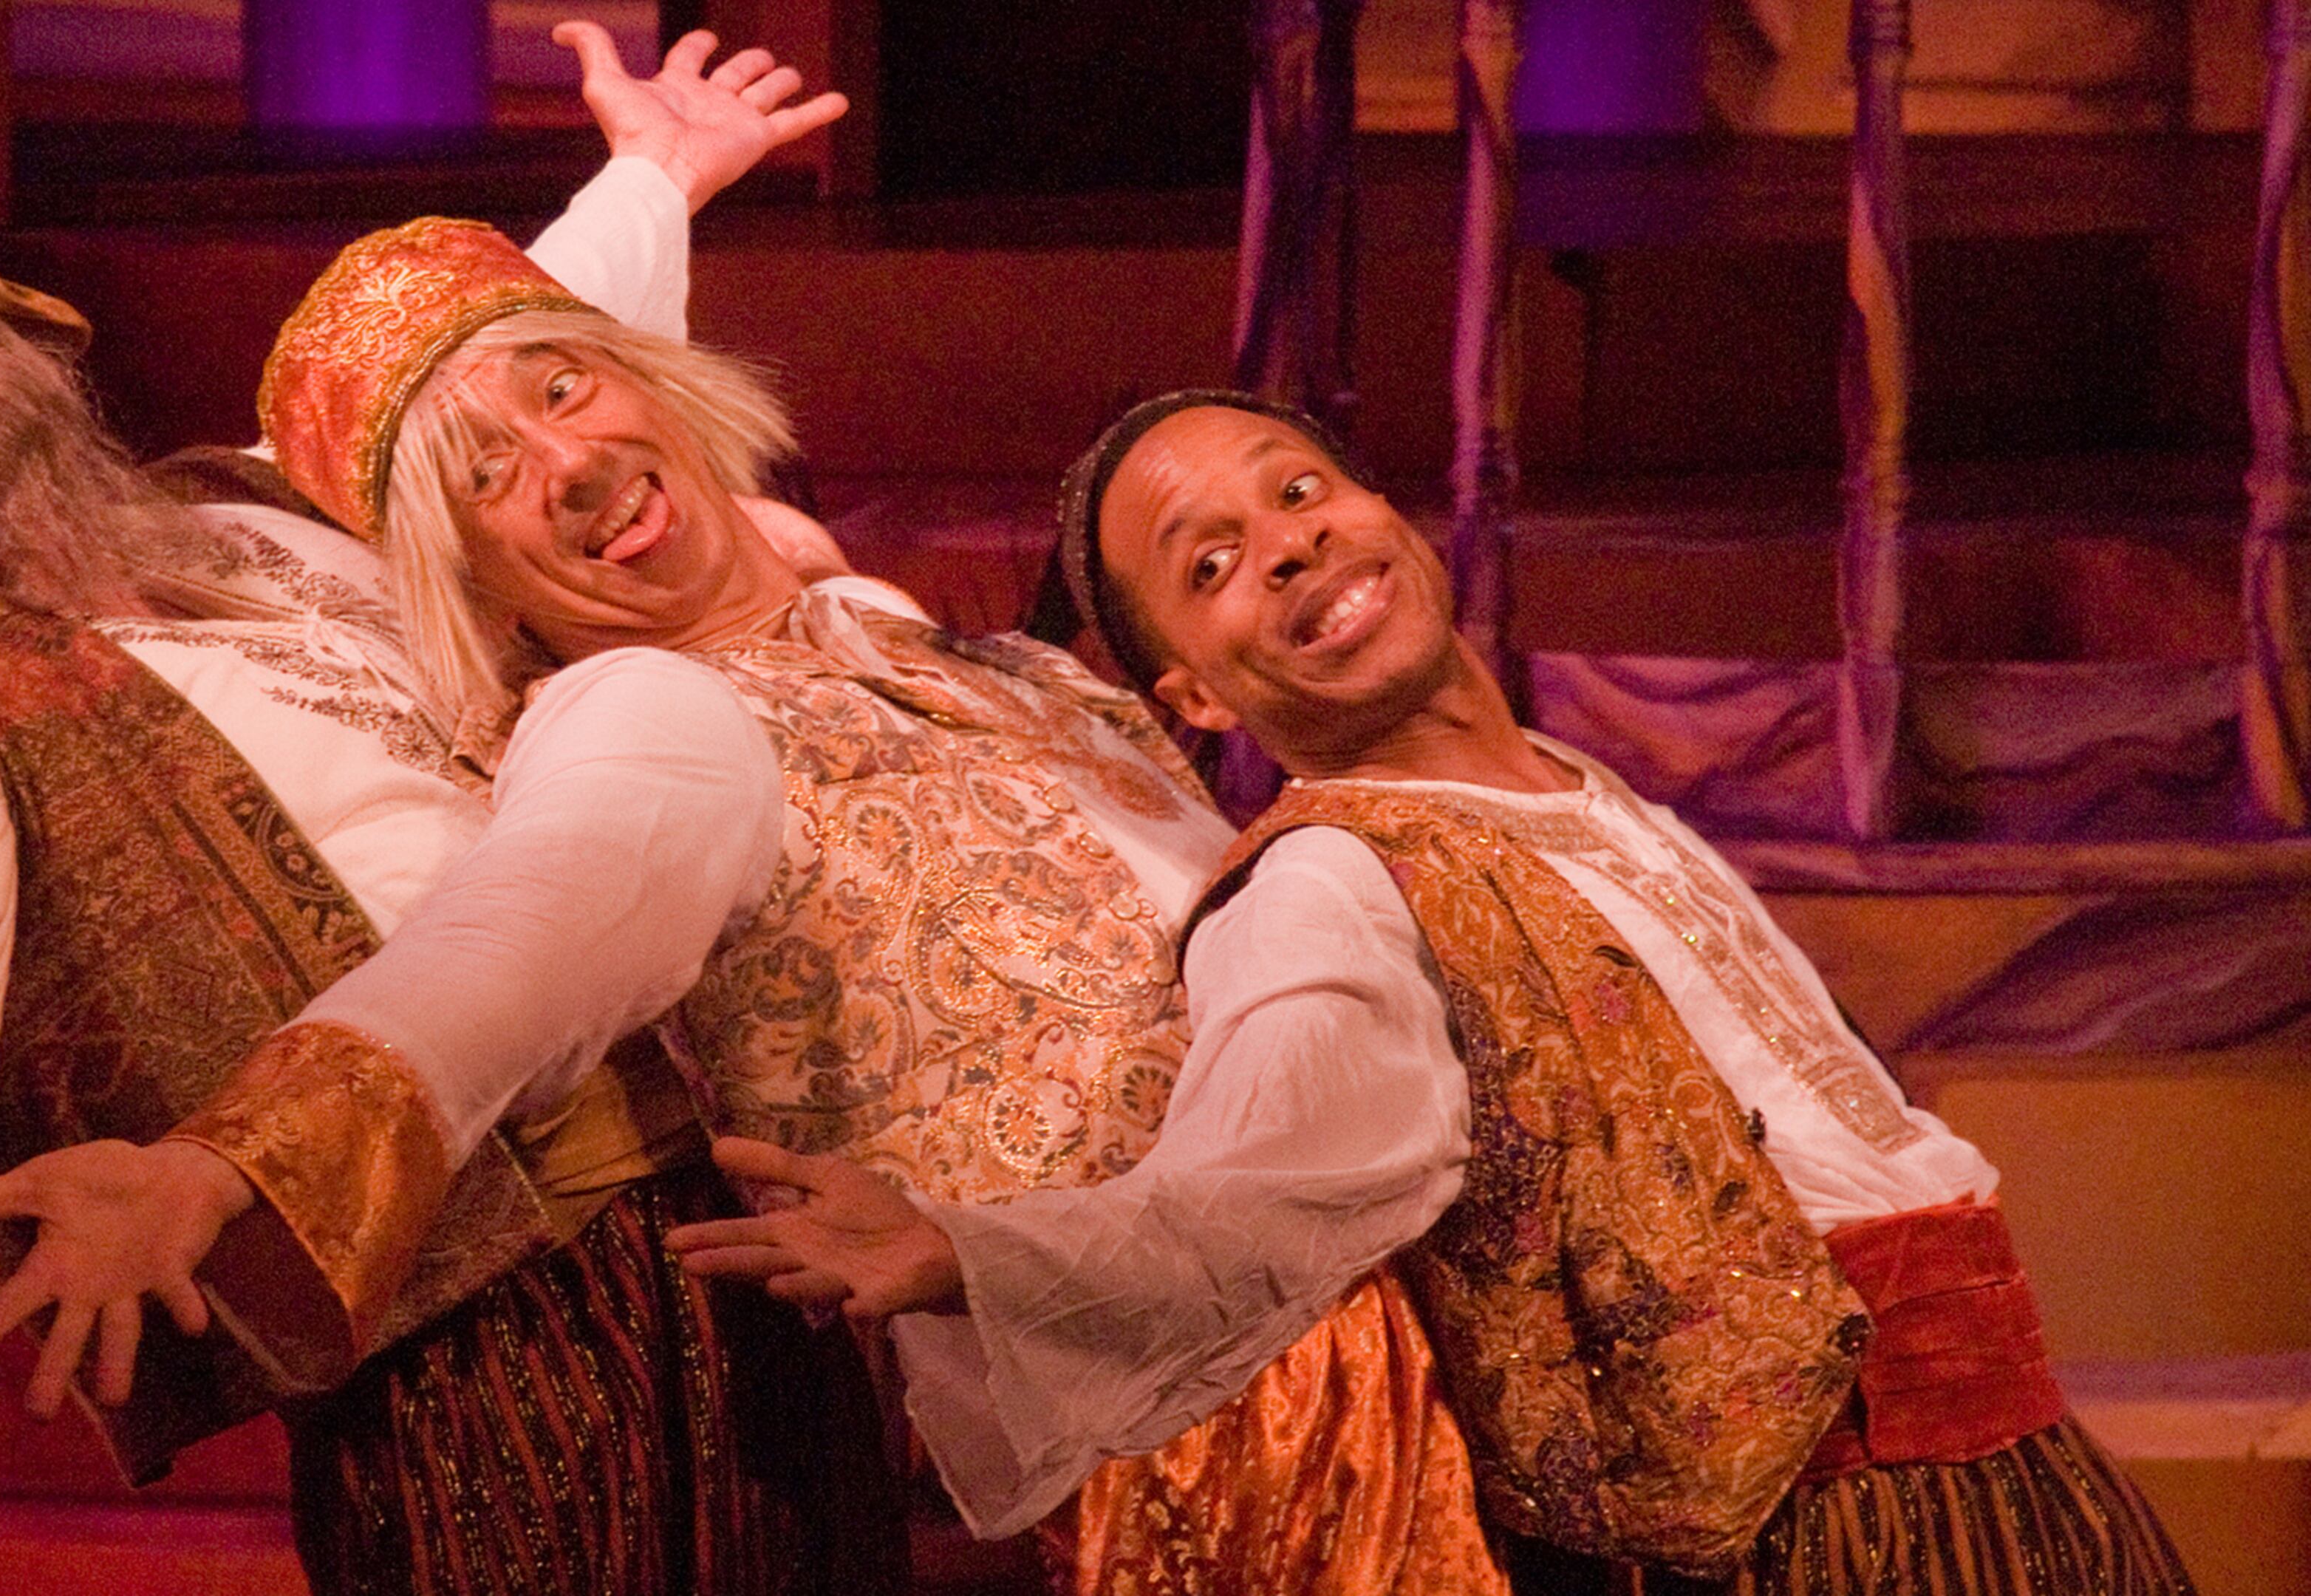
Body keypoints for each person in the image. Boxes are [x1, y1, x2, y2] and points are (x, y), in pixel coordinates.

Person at [0, 198, 1530, 1594]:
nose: (566, 466)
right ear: (465, 572)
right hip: (1209, 1432)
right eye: (488, 473)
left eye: (566, 389)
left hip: (1439, 1323)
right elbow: (521, 941)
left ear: (649, 380)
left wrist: (663, 181)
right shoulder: (634, 716)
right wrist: (227, 1170)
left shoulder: (970, 652)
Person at [0, 27, 893, 1595]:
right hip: (481, 1340)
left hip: (754, 1252)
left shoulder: (258, 508)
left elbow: (471, 384)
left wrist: (656, 172)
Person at [668, 389, 2203, 1596]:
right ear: (1195, 695)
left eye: (1297, 490)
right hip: (1820, 1533)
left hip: (2020, 1473)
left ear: (1383, 511)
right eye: (1209, 565)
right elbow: (1250, 1194)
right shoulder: (1330, 885)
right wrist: (964, 1255)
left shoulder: (1590, 792)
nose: (1285, 544)